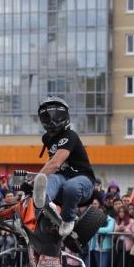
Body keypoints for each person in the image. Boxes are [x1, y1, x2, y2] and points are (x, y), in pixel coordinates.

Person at [32, 97, 95, 237]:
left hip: (83, 180)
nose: (51, 121)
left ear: (65, 116)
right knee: (51, 179)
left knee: (70, 186)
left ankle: (68, 219)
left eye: (55, 116)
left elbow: (55, 163)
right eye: (46, 118)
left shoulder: (70, 135)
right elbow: (51, 160)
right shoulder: (47, 138)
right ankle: (45, 204)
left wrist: (36, 179)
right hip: (62, 179)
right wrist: (33, 184)